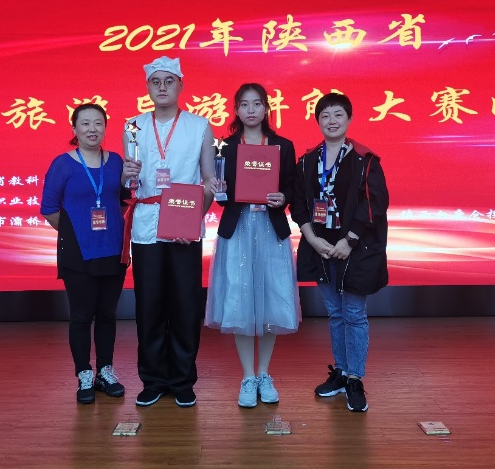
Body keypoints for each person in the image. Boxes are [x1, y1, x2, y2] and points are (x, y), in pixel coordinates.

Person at [121, 56, 215, 408]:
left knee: (185, 305)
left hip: (184, 229)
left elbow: (209, 182)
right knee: (149, 305)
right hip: (146, 226)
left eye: (169, 81)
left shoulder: (200, 126)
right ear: (147, 87)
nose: (162, 87)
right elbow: (129, 182)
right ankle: (154, 379)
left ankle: (183, 379)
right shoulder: (133, 126)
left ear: (180, 86)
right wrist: (127, 176)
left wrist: (191, 220)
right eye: (155, 81)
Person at [290, 93, 389, 413]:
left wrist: (349, 240)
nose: (331, 121)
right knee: (334, 313)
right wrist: (312, 238)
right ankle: (342, 372)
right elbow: (299, 202)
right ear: (317, 121)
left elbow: (375, 203)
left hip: (354, 249)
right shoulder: (307, 160)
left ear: (349, 119)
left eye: (338, 115)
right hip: (321, 247)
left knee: (354, 314)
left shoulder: (364, 159)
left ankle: (355, 378)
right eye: (325, 116)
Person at [205, 83, 300, 408]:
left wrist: (283, 197)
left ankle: (264, 374)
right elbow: (220, 199)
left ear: (266, 109)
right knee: (240, 299)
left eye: (256, 104)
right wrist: (220, 189)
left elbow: (292, 187)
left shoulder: (282, 146)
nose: (250, 110)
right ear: (236, 110)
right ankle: (247, 376)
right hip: (239, 229)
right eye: (244, 104)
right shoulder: (225, 147)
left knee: (271, 297)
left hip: (270, 229)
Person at [40, 103, 128, 404]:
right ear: (74, 129)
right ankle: (84, 374)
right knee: (81, 317)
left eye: (98, 123)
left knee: (107, 315)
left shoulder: (116, 162)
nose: (92, 129)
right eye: (85, 123)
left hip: (113, 249)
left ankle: (105, 371)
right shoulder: (63, 164)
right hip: (78, 253)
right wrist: (74, 232)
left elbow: (124, 200)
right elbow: (49, 209)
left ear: (105, 127)